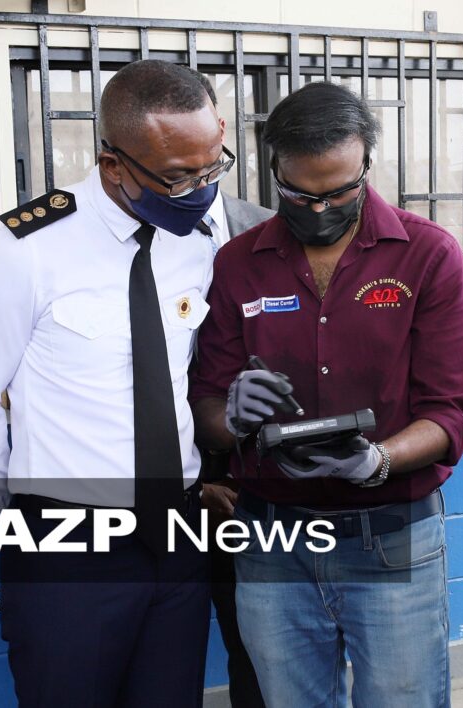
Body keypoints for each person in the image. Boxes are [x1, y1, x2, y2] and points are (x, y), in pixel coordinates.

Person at [0, 60, 230, 706]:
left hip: (179, 539)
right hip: (67, 545)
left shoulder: (201, 239)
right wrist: (23, 516)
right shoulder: (23, 250)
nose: (200, 190)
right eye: (179, 177)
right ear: (114, 165)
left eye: (212, 167)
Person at [191, 81, 463, 708]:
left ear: (366, 163)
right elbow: (207, 404)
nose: (320, 210)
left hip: (392, 536)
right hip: (271, 540)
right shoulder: (238, 264)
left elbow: (449, 410)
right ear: (274, 174)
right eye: (299, 194)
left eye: (340, 191)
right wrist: (232, 417)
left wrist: (378, 461)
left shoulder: (427, 255)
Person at [185, 71, 271, 708]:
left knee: (265, 650)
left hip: (263, 476)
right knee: (166, 645)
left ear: (222, 131)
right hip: (169, 482)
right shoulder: (124, 244)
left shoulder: (271, 229)